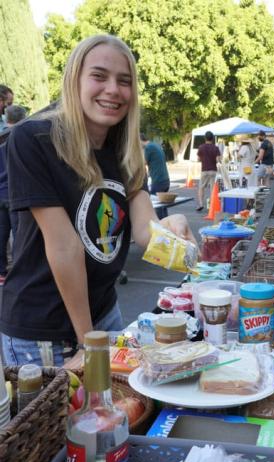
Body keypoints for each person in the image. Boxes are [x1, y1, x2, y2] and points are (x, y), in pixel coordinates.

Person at [0, 34, 196, 367]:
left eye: (124, 81)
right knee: (61, 420)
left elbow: (146, 233)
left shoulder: (125, 148)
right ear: (74, 78)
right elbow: (65, 247)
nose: (113, 90)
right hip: (44, 331)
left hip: (105, 314)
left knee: (117, 416)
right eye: (99, 76)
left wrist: (175, 233)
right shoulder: (33, 138)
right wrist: (87, 343)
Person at [0, 105, 26, 284]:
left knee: (1, 235)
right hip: (17, 192)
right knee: (20, 234)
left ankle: (1, 272)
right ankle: (21, 271)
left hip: (0, 193)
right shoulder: (23, 136)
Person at [140, 132, 170, 219]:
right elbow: (154, 165)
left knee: (156, 207)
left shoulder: (149, 148)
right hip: (165, 180)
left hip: (158, 181)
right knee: (162, 207)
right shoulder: (155, 145)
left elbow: (142, 163)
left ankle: (160, 228)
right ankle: (165, 225)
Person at [196, 130, 221, 211]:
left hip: (204, 170)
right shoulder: (216, 148)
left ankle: (201, 204)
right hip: (213, 170)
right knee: (212, 189)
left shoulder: (201, 147)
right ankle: (212, 206)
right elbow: (218, 160)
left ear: (205, 138)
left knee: (201, 187)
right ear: (212, 138)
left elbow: (198, 159)